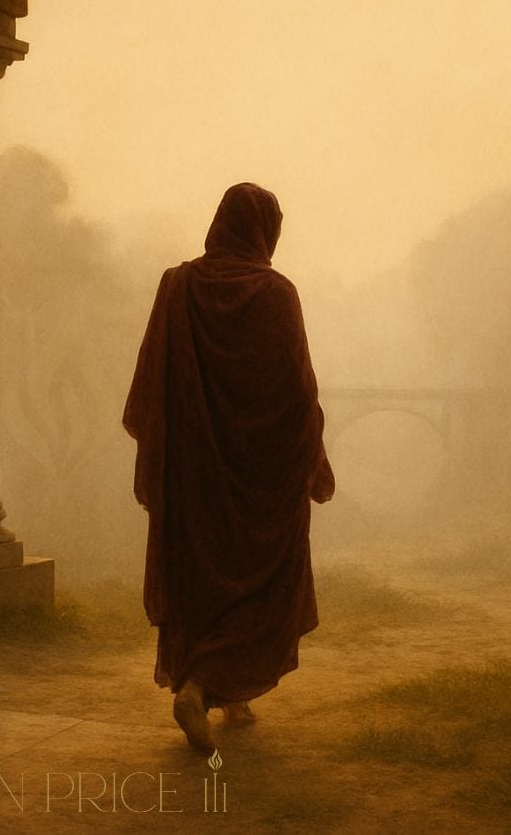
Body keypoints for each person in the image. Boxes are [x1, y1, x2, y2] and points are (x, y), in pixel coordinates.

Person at [123, 182, 334, 755]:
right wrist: (309, 459)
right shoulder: (277, 293)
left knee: (202, 580)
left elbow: (149, 387)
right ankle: (198, 689)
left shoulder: (178, 286)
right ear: (264, 233)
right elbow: (297, 389)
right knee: (261, 583)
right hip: (262, 482)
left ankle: (227, 692)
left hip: (193, 479)